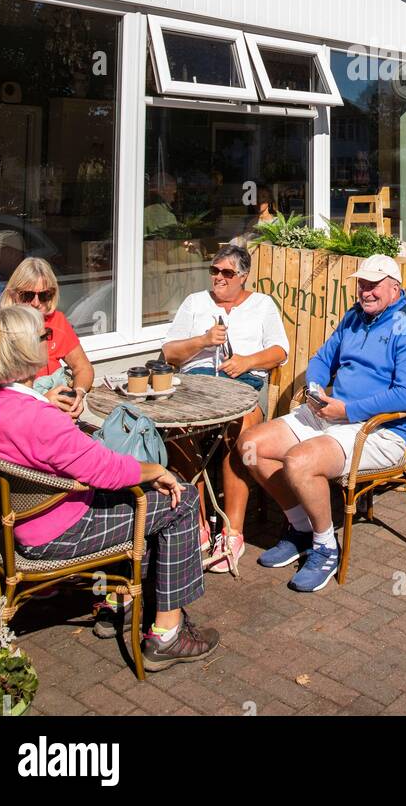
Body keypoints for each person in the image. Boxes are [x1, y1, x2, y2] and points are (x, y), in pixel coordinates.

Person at [0, 304, 218, 670]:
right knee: (183, 500)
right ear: (25, 351)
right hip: (58, 532)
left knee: (140, 498)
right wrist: (155, 468)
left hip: (16, 524)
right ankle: (167, 634)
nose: (48, 341)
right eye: (43, 336)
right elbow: (104, 471)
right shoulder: (40, 418)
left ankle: (122, 603)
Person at [238, 254, 406, 593]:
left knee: (299, 462)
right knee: (251, 447)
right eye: (361, 284)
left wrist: (346, 410)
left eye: (373, 285)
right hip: (332, 412)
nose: (365, 291)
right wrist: (315, 390)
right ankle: (300, 527)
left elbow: (405, 396)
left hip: (380, 430)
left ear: (395, 288)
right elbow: (322, 359)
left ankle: (326, 546)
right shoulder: (354, 316)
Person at [162, 244, 288, 572]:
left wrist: (247, 361)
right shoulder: (195, 303)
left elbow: (280, 352)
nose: (219, 278)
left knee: (241, 431)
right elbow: (170, 354)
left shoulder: (262, 305)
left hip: (244, 384)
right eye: (215, 271)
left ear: (243, 277)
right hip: (196, 384)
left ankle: (232, 532)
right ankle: (199, 524)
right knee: (177, 431)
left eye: (227, 273)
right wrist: (202, 341)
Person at [1, 257, 94, 419]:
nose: (36, 303)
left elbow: (83, 367)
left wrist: (78, 393)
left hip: (57, 415)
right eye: (27, 296)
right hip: (23, 416)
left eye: (44, 295)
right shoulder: (2, 327)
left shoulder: (57, 321)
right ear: (13, 294)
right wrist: (43, 401)